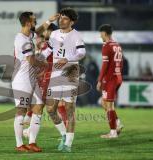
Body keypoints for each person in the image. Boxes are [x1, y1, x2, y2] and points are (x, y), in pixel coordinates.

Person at [12, 11, 59, 152]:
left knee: (38, 106)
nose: (35, 23)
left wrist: (49, 21)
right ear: (27, 23)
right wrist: (44, 64)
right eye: (34, 21)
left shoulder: (29, 35)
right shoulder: (22, 40)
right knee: (21, 110)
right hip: (21, 79)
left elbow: (38, 31)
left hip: (31, 78)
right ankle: (20, 144)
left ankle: (32, 142)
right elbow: (31, 60)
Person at [44, 8, 86, 152]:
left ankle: (68, 144)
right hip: (56, 74)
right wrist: (38, 57)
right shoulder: (54, 34)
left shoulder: (76, 36)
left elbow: (82, 53)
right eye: (60, 18)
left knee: (69, 109)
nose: (61, 20)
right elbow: (48, 50)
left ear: (72, 22)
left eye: (65, 18)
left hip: (70, 72)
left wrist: (67, 59)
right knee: (50, 109)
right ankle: (63, 134)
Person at [96, 24, 124, 138]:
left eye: (101, 34)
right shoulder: (117, 45)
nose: (100, 36)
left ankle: (113, 132)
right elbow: (121, 63)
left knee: (109, 105)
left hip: (110, 79)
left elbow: (105, 65)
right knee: (103, 102)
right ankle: (117, 123)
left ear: (104, 33)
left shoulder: (107, 46)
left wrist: (99, 80)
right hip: (117, 77)